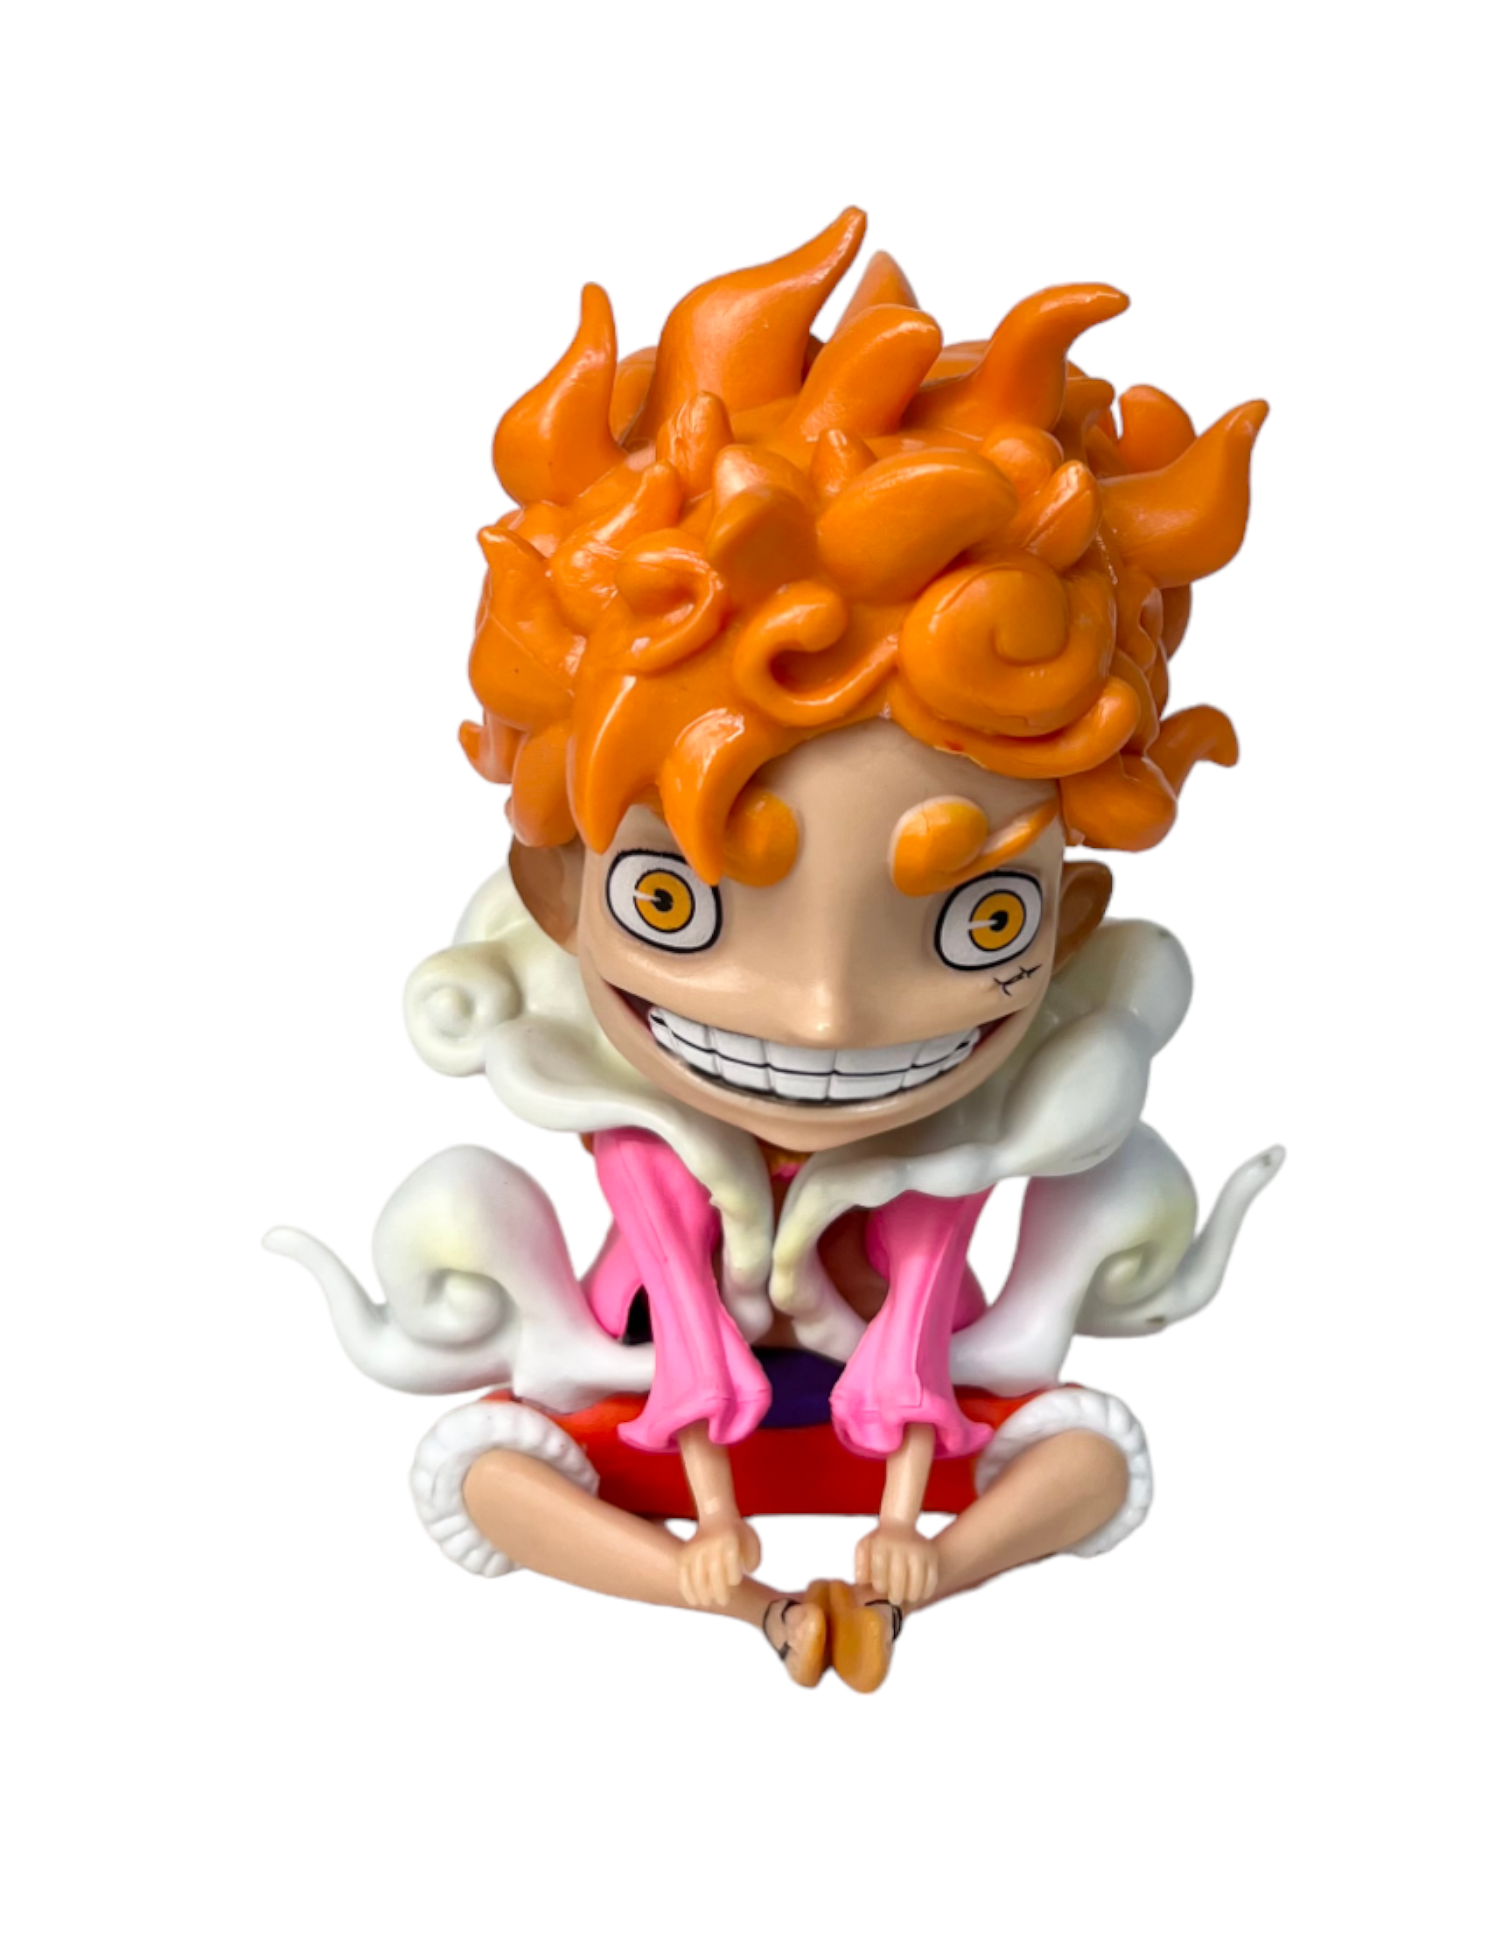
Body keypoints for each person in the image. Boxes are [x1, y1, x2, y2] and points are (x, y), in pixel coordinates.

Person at [268, 210, 1282, 1691]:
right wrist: (697, 1509)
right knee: (484, 1474)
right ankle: (728, 1605)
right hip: (651, 1417)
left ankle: (919, 1588)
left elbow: (969, 1331)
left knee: (1088, 1461)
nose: (821, 1014)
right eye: (677, 907)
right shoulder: (628, 1127)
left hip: (916, 1427)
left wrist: (924, 1526)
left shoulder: (978, 1135)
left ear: (1066, 924)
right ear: (554, 894)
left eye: (980, 921)